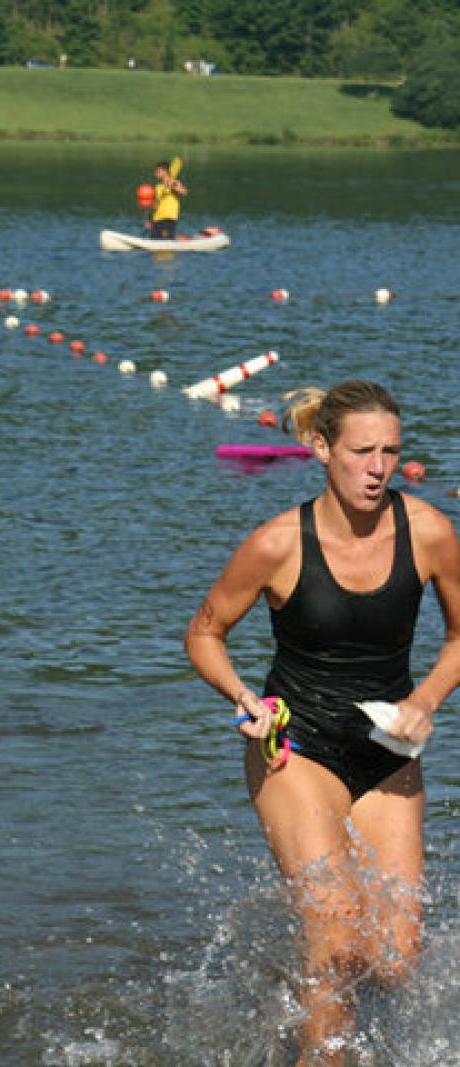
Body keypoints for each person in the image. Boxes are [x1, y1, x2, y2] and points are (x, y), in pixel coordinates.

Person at [185, 381, 460, 1064]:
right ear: (320, 447)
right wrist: (241, 697)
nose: (378, 468)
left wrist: (426, 699)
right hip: (296, 747)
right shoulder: (277, 543)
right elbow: (205, 632)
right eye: (362, 451)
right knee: (336, 943)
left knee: (395, 958)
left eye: (390, 451)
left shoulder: (428, 532)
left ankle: (292, 997)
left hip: (387, 750)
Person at [148, 160, 187, 239]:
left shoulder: (175, 182)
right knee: (154, 240)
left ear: (165, 172)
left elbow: (184, 192)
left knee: (166, 239)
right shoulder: (157, 187)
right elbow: (155, 205)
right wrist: (150, 219)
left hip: (169, 219)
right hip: (157, 220)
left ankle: (179, 240)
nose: (155, 174)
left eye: (158, 172)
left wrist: (172, 186)